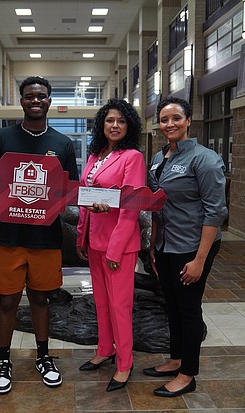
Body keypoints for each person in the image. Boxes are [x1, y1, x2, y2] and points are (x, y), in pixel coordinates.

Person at [0, 76, 79, 394]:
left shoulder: (63, 144)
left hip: (45, 238)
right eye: (29, 96)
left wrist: (86, 200)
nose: (35, 100)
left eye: (41, 96)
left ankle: (43, 356)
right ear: (21, 100)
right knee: (8, 301)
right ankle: (3, 360)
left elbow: (71, 190)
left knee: (40, 298)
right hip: (7, 236)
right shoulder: (1, 138)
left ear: (49, 101)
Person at [144, 96, 227, 397]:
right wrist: (153, 244)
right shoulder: (159, 157)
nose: (170, 124)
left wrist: (200, 260)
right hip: (166, 244)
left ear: (188, 120)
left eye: (176, 118)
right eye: (164, 119)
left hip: (192, 246)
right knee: (172, 306)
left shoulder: (204, 159)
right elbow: (156, 204)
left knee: (189, 309)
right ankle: (176, 359)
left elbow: (215, 212)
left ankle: (187, 374)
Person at [75, 98, 146, 392]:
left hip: (119, 246)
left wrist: (115, 250)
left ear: (129, 126)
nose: (114, 125)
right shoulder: (96, 155)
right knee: (102, 302)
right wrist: (81, 235)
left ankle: (125, 363)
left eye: (121, 121)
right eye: (109, 120)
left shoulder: (133, 157)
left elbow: (131, 208)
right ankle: (105, 349)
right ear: (101, 125)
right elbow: (85, 196)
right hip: (94, 241)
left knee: (119, 306)